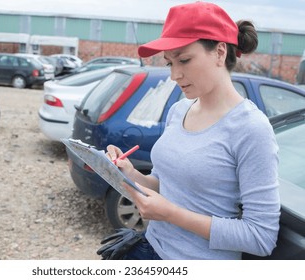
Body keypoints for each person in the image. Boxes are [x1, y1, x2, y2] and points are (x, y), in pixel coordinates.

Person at [105, 1, 280, 260]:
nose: (174, 75)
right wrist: (132, 174)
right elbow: (168, 185)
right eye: (169, 63)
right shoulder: (180, 110)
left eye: (184, 60)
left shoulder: (251, 129)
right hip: (151, 247)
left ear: (220, 52)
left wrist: (171, 214)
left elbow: (260, 237)